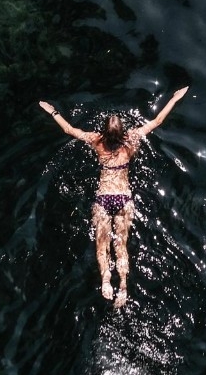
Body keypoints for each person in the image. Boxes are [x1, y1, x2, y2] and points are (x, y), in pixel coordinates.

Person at [39, 87, 189, 307]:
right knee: (121, 246)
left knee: (102, 246)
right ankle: (124, 287)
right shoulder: (132, 139)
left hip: (103, 198)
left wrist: (52, 111)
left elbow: (69, 129)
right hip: (123, 199)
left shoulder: (96, 140)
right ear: (122, 132)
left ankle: (106, 280)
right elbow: (157, 121)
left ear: (105, 132)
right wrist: (174, 98)